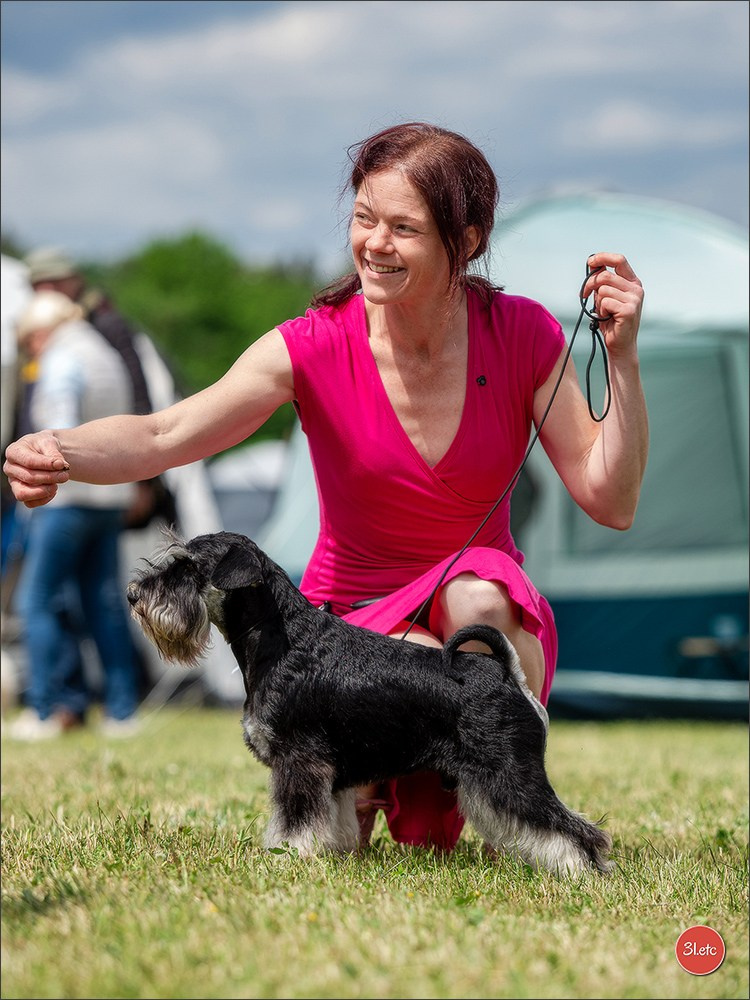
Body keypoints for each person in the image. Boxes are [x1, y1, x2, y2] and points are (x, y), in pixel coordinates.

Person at [3, 123, 648, 844]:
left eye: (403, 228)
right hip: (353, 623)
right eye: (364, 219)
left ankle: (489, 774)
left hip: (477, 610)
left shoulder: (523, 333)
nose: (374, 243)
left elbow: (610, 500)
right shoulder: (310, 343)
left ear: (464, 241)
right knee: (413, 834)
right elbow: (163, 434)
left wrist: (621, 360)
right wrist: (59, 448)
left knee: (479, 594)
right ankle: (395, 792)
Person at [6, 291, 141, 739]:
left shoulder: (62, 358)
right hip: (109, 498)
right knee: (103, 604)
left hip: (64, 500)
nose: (32, 352)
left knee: (35, 601)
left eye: (31, 342)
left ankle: (44, 709)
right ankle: (123, 709)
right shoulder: (104, 352)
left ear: (41, 332)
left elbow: (57, 424)